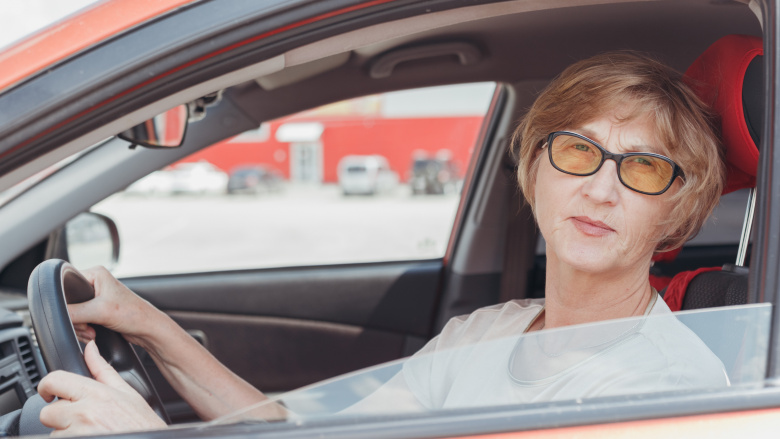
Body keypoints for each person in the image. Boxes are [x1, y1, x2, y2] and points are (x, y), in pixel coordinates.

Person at [36, 51, 729, 435]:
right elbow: (295, 431)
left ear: (676, 211)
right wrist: (146, 323)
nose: (602, 189)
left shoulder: (666, 390)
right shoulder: (486, 332)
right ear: (535, 170)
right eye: (578, 152)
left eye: (643, 168)